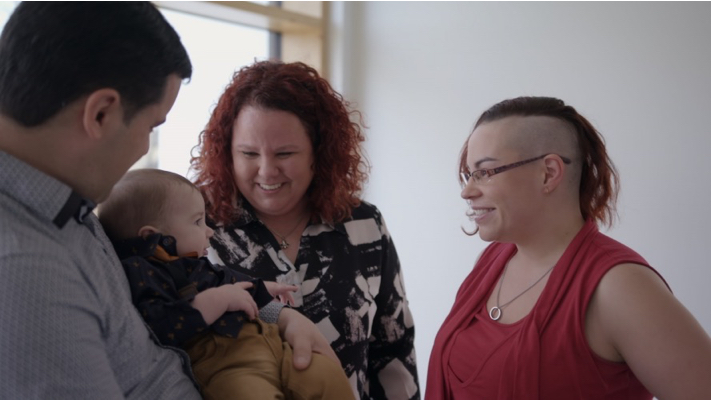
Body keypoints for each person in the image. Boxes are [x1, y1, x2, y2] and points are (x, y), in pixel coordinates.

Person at [0, 3, 339, 399]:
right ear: (101, 114)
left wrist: (279, 316)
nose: (145, 148)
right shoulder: (25, 268)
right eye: (151, 127)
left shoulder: (65, 211)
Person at [426, 96, 711, 399]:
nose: (467, 191)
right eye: (469, 174)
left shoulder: (619, 286)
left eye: (485, 172)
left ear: (548, 173)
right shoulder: (492, 260)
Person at [190, 60, 420, 400]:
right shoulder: (195, 224)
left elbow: (393, 348)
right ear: (226, 154)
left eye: (285, 153)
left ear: (320, 152)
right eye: (248, 153)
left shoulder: (363, 224)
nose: (267, 171)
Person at [98, 168, 354, 400]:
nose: (209, 231)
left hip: (271, 342)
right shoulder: (142, 274)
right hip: (226, 365)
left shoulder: (195, 264)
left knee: (325, 375)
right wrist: (214, 301)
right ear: (153, 237)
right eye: (198, 221)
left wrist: (263, 288)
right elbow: (160, 324)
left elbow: (232, 281)